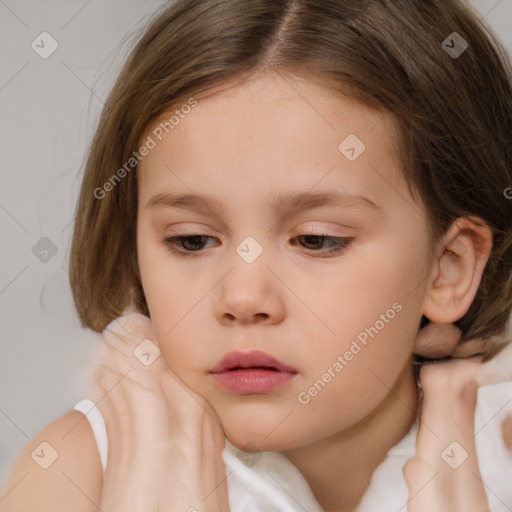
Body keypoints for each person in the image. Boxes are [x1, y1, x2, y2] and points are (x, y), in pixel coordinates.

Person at [1, 0, 511, 510]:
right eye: (191, 240)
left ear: (448, 269)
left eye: (315, 239)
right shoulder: (76, 475)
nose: (243, 298)